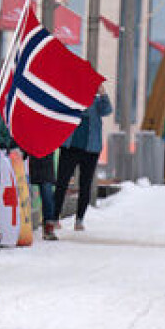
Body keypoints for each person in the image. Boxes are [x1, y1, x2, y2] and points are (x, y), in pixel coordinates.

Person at [53, 84, 112, 232]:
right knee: (62, 183)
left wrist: (103, 94)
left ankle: (79, 219)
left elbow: (107, 110)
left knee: (85, 185)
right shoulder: (71, 100)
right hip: (70, 147)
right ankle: (54, 218)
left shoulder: (97, 102)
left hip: (90, 149)